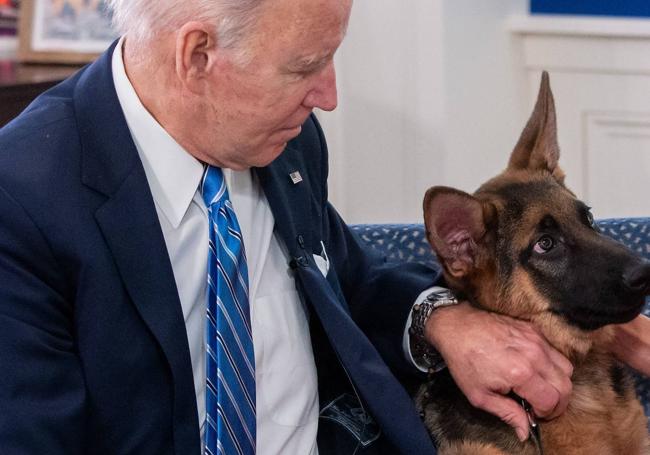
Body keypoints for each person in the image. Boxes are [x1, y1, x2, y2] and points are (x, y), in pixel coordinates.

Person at [0, 0, 644, 453]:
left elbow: (351, 278)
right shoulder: (25, 201)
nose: (328, 96)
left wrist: (444, 318)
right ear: (197, 54)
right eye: (304, 66)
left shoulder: (284, 141)